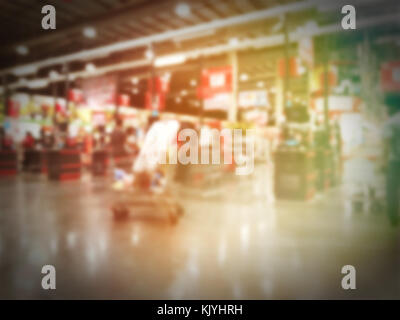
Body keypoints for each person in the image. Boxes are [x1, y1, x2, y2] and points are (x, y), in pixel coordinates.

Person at [383, 93, 400, 226]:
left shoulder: (390, 123)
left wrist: (382, 162)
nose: (386, 109)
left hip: (395, 160)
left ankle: (393, 217)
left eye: (387, 106)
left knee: (392, 190)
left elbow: (387, 145)